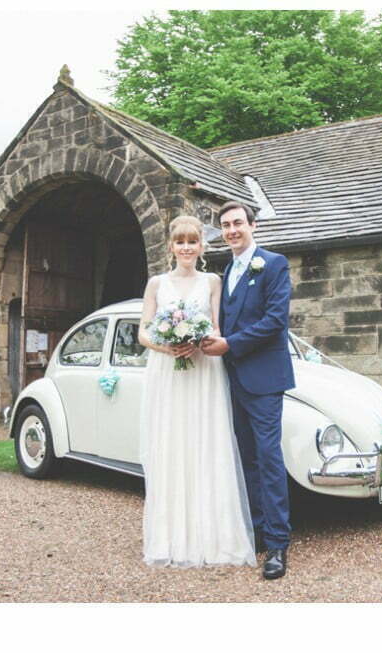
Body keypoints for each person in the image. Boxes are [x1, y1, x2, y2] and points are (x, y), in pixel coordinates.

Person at [137, 215, 255, 568]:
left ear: (201, 247)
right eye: (180, 242)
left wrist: (198, 341)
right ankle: (172, 538)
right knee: (173, 444)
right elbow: (143, 332)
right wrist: (168, 346)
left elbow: (217, 327)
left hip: (204, 370)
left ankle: (213, 539)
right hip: (169, 373)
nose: (186, 248)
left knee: (206, 442)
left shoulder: (212, 281)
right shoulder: (157, 284)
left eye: (192, 242)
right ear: (171, 247)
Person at [201, 201, 294, 580]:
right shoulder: (227, 271)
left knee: (269, 459)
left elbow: (275, 321)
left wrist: (230, 344)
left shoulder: (273, 264)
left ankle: (278, 544)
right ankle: (256, 531)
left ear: (253, 225)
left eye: (238, 223)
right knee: (248, 459)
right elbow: (221, 322)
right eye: (226, 225)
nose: (232, 230)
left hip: (265, 378)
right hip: (233, 378)